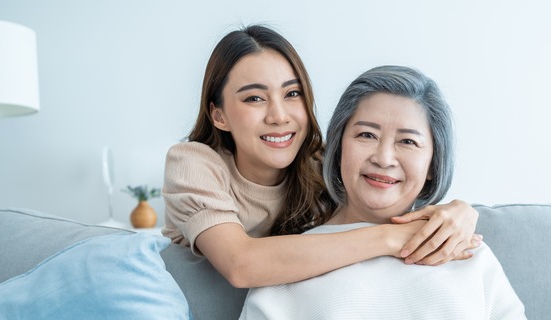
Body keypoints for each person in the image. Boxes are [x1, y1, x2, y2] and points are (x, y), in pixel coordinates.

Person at [225, 65, 551, 320]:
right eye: (366, 135)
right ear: (338, 149)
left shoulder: (464, 250)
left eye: (408, 141)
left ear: (433, 165)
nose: (384, 158)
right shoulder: (288, 261)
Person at [161, 25, 482, 289]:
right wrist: (392, 238)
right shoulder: (193, 164)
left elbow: (387, 196)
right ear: (219, 116)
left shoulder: (321, 163)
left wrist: (459, 212)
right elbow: (241, 265)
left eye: (292, 94)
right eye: (254, 98)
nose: (279, 116)